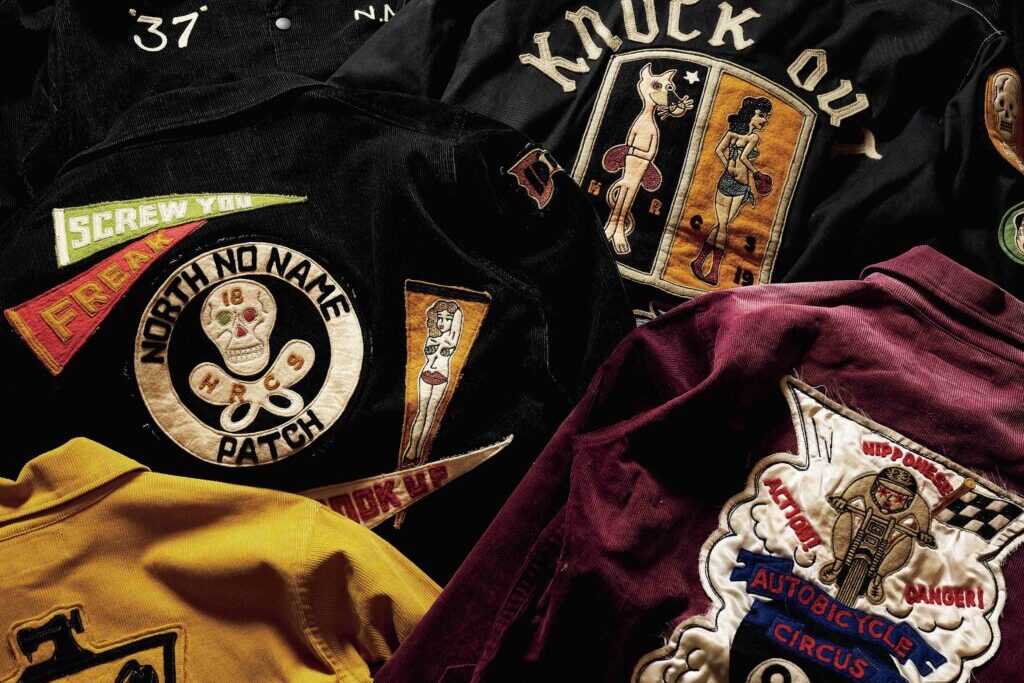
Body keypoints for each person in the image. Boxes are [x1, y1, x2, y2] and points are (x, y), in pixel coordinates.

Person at [691, 96, 773, 286]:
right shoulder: (741, 135)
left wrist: (729, 165)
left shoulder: (751, 137)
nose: (765, 120)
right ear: (750, 115)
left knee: (723, 224)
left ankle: (700, 262)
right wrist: (755, 173)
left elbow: (724, 152)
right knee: (723, 225)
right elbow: (731, 154)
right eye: (762, 115)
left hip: (741, 187)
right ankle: (713, 270)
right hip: (729, 183)